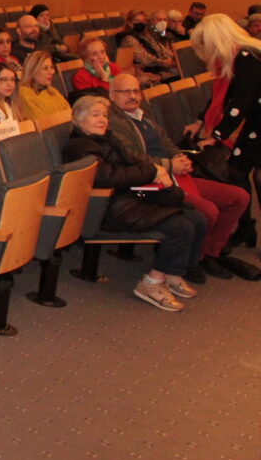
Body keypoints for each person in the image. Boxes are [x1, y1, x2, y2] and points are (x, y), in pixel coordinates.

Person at [106, 73, 258, 281]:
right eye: (125, 91)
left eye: (136, 90)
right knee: (208, 211)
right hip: (153, 181)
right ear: (112, 94)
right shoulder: (113, 121)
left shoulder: (143, 112)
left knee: (238, 197)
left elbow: (164, 141)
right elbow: (131, 157)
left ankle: (209, 253)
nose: (133, 96)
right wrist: (170, 164)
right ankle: (192, 260)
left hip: (176, 174)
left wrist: (178, 155)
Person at [63, 96, 206, 311]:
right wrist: (150, 171)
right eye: (95, 115)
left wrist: (158, 170)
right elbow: (106, 178)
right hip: (109, 208)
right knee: (180, 226)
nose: (102, 120)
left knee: (196, 217)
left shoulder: (106, 138)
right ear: (78, 119)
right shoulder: (80, 146)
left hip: (127, 198)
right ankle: (151, 283)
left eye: (104, 115)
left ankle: (171, 273)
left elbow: (132, 160)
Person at [190, 13, 261, 245]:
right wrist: (203, 122)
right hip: (255, 123)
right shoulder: (240, 55)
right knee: (239, 171)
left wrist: (217, 136)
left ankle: (245, 228)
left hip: (257, 124)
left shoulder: (247, 56)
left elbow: (241, 102)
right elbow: (223, 98)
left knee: (242, 172)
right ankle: (245, 228)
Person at [120, 9, 181, 84]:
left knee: (182, 71)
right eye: (137, 21)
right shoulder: (128, 38)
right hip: (144, 72)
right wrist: (162, 62)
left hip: (158, 69)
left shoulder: (145, 35)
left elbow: (159, 48)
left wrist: (174, 57)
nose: (140, 23)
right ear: (129, 23)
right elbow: (143, 58)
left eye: (143, 21)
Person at [17, 51, 69, 121]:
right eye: (45, 68)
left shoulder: (52, 91)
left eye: (51, 67)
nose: (51, 72)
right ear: (32, 70)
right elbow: (41, 122)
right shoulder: (23, 93)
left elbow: (69, 114)